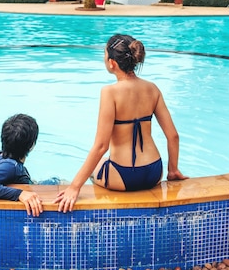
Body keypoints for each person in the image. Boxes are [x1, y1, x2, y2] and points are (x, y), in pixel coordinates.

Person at [54, 34, 188, 213]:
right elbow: (173, 136)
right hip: (155, 171)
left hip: (124, 175)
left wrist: (74, 187)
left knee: (97, 164)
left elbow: (101, 146)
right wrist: (173, 170)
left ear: (112, 63)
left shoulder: (109, 92)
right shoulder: (152, 88)